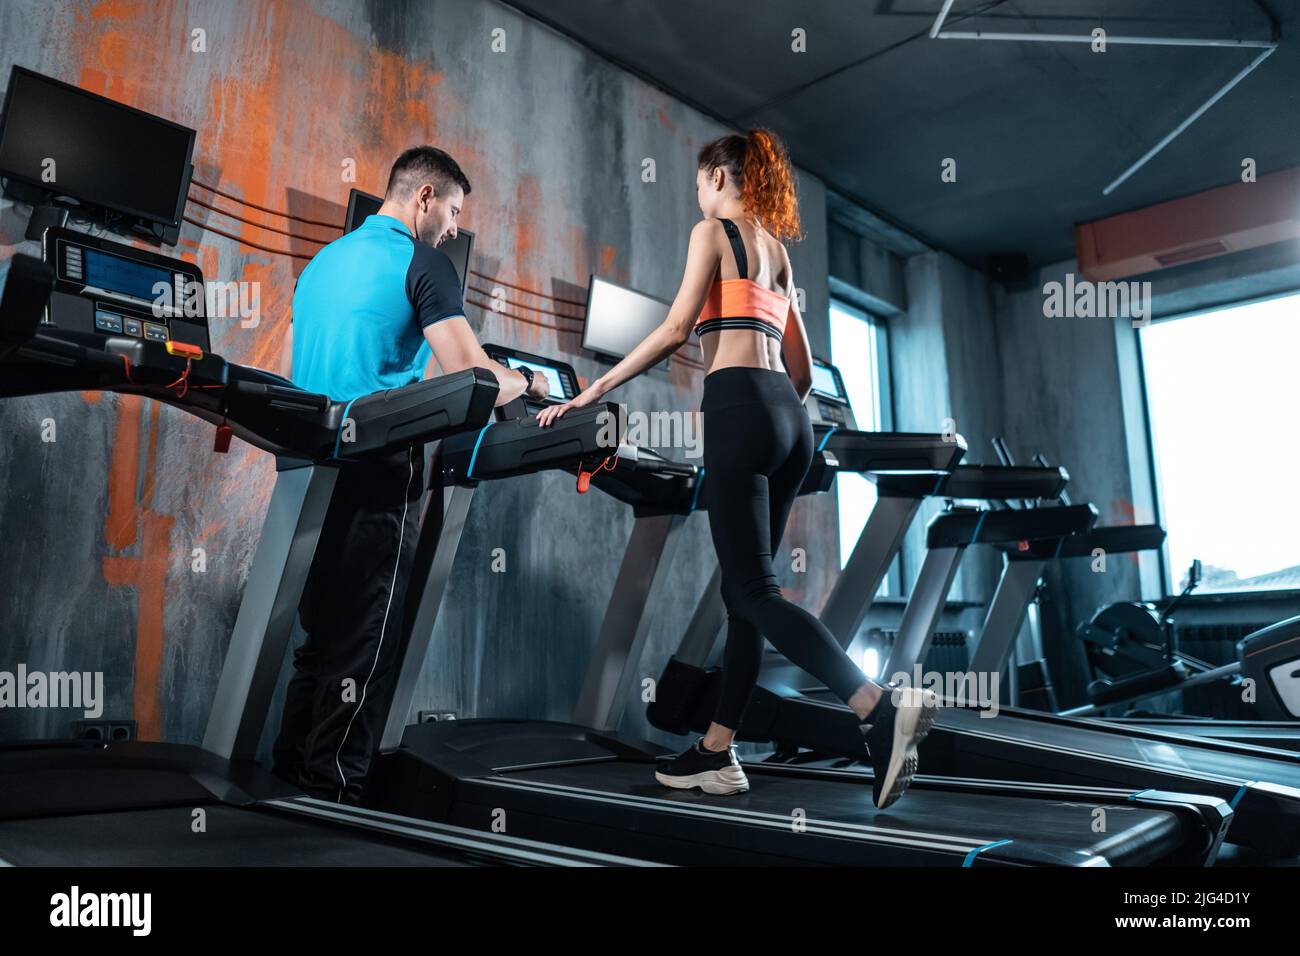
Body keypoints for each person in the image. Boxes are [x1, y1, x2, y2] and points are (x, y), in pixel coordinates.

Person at [537, 129, 935, 809]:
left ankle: (874, 706)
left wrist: (591, 392)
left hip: (738, 408)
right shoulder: (777, 253)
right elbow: (804, 370)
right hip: (791, 420)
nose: (697, 193)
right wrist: (776, 411)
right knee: (749, 595)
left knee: (752, 592)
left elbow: (672, 330)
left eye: (699, 180)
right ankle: (718, 752)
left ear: (721, 177)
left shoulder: (712, 232)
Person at [274, 146, 549, 803]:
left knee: (318, 643)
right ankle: (335, 794)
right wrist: (533, 383)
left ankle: (287, 783)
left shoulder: (322, 262)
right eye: (452, 210)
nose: (454, 227)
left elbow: (316, 363)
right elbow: (472, 373)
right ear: (424, 197)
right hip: (379, 473)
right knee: (364, 645)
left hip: (308, 472)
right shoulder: (424, 263)